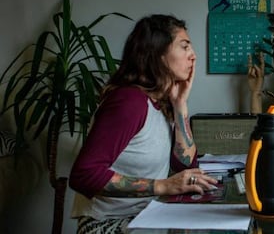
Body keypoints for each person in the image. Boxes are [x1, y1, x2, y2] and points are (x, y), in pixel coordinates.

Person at [69, 14, 218, 233]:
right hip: (107, 224)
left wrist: (180, 105)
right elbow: (84, 175)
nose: (193, 56)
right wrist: (163, 186)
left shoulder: (160, 102)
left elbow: (185, 167)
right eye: (184, 47)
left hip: (147, 214)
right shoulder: (129, 102)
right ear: (158, 54)